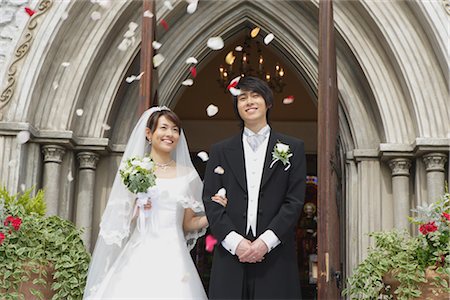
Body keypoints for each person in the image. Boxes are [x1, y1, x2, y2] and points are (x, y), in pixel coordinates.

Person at [83, 106, 227, 299]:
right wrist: (136, 210)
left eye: (175, 129)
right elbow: (119, 222)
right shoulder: (134, 170)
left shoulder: (188, 175)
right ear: (149, 134)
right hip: (139, 253)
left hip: (174, 256)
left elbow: (188, 224)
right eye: (164, 128)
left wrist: (213, 213)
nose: (170, 134)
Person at [203, 76, 306, 299]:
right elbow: (211, 201)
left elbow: (294, 201)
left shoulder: (293, 148)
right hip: (231, 256)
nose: (249, 101)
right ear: (237, 107)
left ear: (268, 103)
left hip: (276, 257)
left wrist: (265, 242)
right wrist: (235, 242)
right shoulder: (220, 150)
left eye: (255, 95)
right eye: (242, 98)